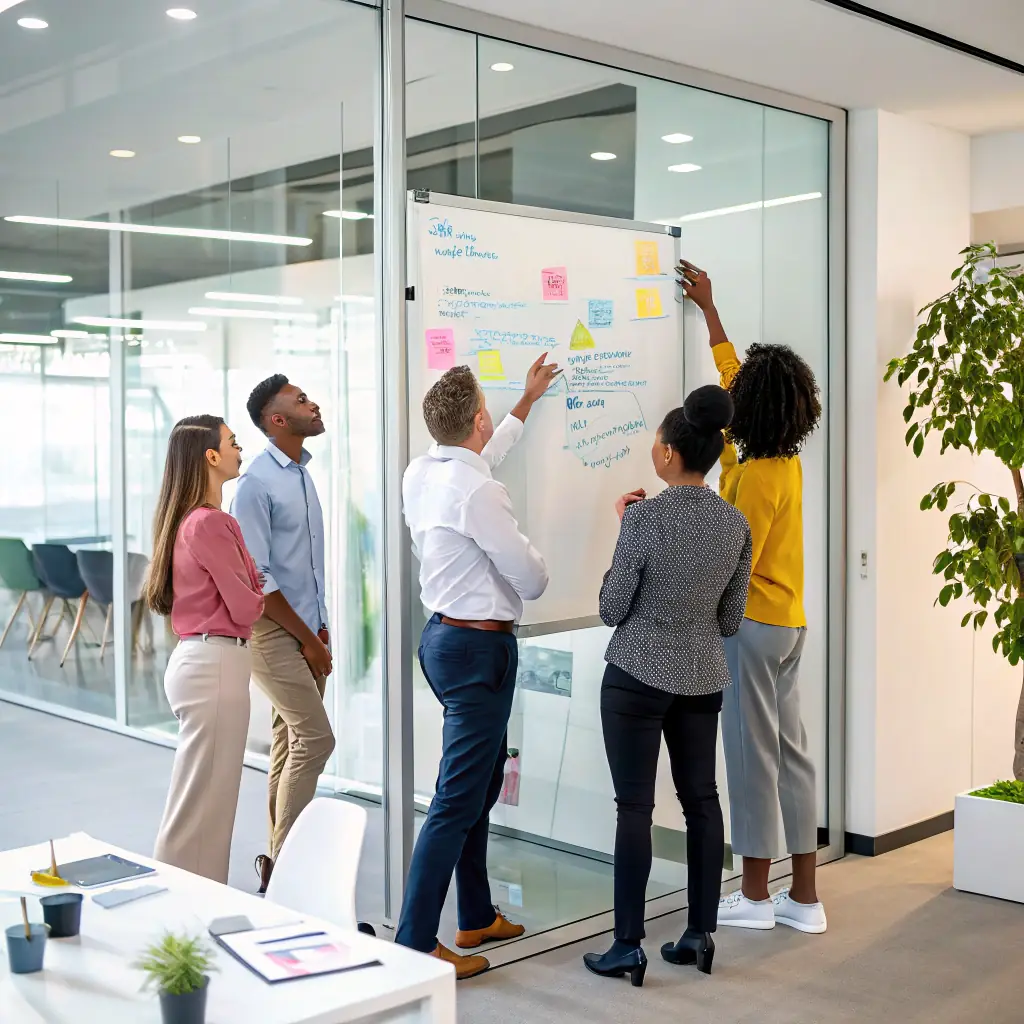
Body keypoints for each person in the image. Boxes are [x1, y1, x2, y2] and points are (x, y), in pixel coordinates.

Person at [582, 386, 752, 987]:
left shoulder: (646, 517)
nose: (653, 450)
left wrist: (624, 532)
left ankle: (628, 945)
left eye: (656, 442)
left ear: (671, 454)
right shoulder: (735, 522)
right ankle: (699, 934)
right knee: (701, 801)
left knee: (635, 807)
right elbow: (730, 621)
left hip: (635, 677)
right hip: (702, 678)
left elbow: (611, 606)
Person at [396, 354, 559, 979]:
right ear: (478, 421)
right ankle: (416, 940)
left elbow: (478, 466)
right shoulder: (479, 491)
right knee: (457, 798)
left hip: (442, 642)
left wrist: (525, 403)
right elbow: (533, 577)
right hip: (477, 652)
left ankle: (475, 913)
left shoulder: (425, 471)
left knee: (481, 783)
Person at [680, 261, 826, 935]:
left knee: (750, 757)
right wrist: (710, 311)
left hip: (752, 625)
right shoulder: (780, 458)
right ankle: (805, 897)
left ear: (754, 414)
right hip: (790, 624)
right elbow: (737, 374)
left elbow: (736, 560)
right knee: (793, 754)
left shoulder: (755, 478)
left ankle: (760, 898)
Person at [148, 415, 265, 884]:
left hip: (207, 663)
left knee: (204, 805)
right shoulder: (211, 523)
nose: (240, 450)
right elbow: (248, 605)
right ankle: (180, 906)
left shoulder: (192, 521)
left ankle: (191, 906)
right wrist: (254, 587)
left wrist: (251, 585)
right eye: (233, 443)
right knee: (201, 808)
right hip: (213, 665)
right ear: (211, 457)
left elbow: (247, 593)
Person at [232, 376, 335, 894]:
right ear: (278, 420)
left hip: (305, 628)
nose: (312, 403)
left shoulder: (300, 474)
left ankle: (276, 868)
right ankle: (291, 869)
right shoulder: (257, 484)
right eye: (300, 400)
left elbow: (306, 569)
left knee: (288, 741)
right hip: (273, 634)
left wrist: (320, 629)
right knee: (317, 740)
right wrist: (309, 641)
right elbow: (260, 582)